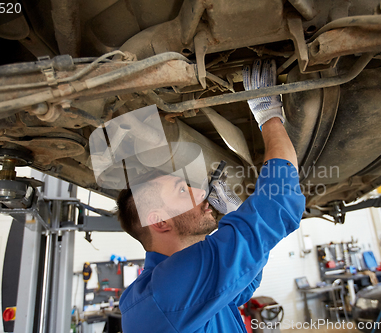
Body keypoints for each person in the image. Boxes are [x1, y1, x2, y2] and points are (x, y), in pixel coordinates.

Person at [116, 59, 305, 332]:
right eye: (182, 191)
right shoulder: (166, 293)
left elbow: (243, 283)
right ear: (159, 222)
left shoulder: (171, 290)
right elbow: (279, 202)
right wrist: (269, 115)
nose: (201, 192)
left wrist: (238, 216)